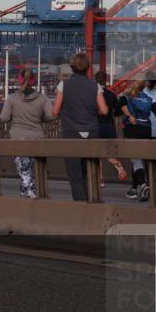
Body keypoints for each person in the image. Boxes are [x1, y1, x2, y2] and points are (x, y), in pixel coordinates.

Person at [52, 53, 108, 201]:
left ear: (72, 68)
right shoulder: (95, 85)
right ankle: (93, 200)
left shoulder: (63, 85)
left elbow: (55, 111)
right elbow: (104, 110)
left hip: (72, 132)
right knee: (91, 172)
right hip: (92, 132)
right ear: (88, 68)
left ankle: (81, 205)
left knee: (75, 174)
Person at [0, 68, 55, 198]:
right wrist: (39, 118)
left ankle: (30, 191)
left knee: (24, 170)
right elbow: (51, 116)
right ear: (34, 80)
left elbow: (4, 118)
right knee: (27, 169)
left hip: (18, 137)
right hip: (37, 137)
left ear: (19, 80)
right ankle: (25, 193)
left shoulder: (12, 98)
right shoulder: (42, 99)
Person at [118, 80, 156, 202]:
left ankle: (142, 185)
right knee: (143, 159)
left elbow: (120, 107)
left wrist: (129, 116)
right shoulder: (149, 98)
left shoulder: (127, 96)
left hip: (132, 129)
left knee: (135, 159)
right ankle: (135, 188)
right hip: (148, 130)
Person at [94, 71, 127, 184]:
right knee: (109, 152)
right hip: (109, 125)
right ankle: (117, 164)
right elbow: (118, 111)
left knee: (97, 154)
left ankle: (101, 179)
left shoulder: (93, 94)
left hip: (96, 125)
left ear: (95, 80)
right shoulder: (111, 95)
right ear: (105, 81)